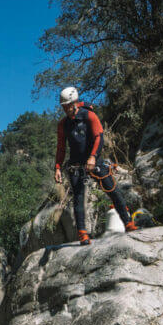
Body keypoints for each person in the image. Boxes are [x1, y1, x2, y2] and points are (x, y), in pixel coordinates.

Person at [53, 86, 138, 245]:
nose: (65, 109)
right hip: (76, 164)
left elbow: (99, 137)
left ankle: (128, 223)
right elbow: (61, 148)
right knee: (78, 197)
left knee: (112, 189)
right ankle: (82, 234)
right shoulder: (63, 124)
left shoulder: (89, 115)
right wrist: (57, 167)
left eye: (68, 105)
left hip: (94, 160)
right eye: (63, 106)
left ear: (75, 103)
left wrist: (92, 157)